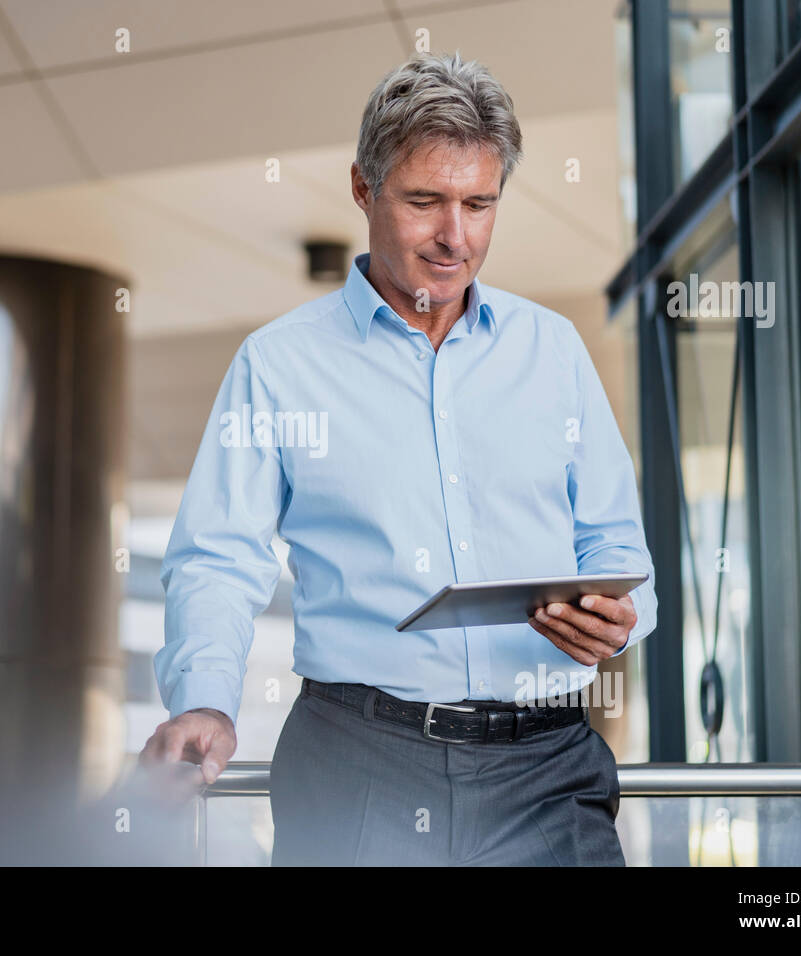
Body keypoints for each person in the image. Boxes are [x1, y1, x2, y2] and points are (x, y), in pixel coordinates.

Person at [139, 50, 656, 866]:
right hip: (360, 764)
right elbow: (217, 556)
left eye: (480, 203)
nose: (456, 236)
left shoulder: (554, 352)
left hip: (547, 768)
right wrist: (205, 702)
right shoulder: (279, 364)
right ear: (362, 188)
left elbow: (619, 550)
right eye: (425, 201)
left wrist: (618, 621)